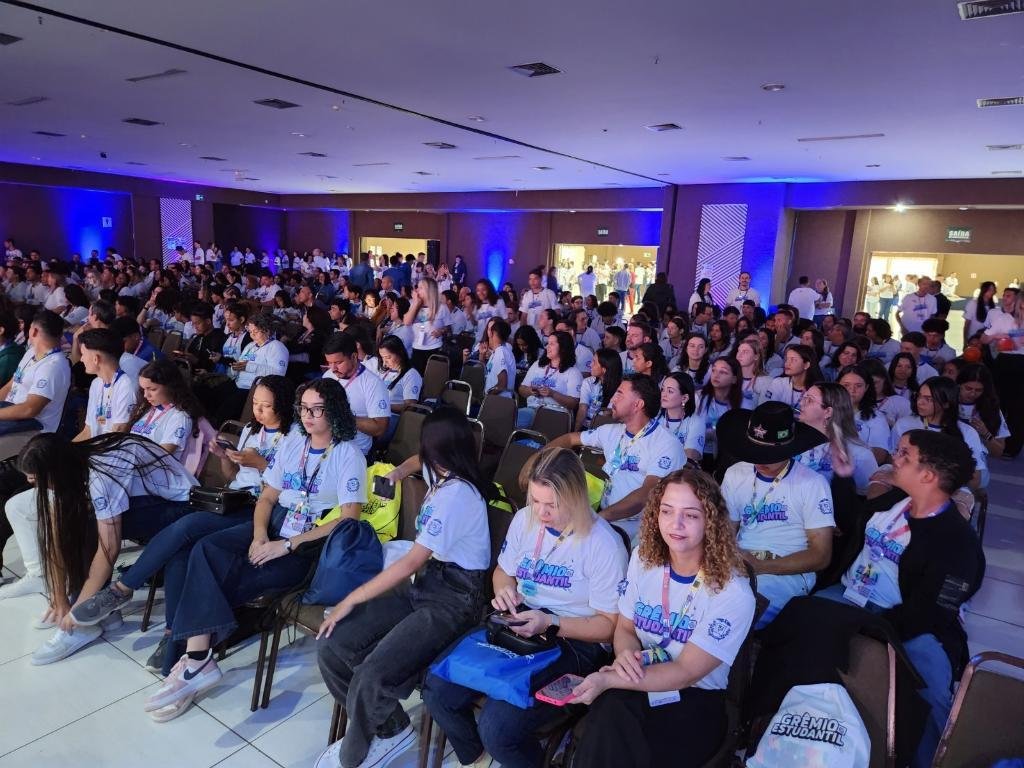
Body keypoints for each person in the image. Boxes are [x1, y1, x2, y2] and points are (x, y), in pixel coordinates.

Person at [135, 379, 366, 718]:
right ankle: (198, 662)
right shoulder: (293, 443)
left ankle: (192, 662)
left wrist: (284, 546)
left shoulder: (349, 453)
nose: (309, 416)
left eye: (318, 409)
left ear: (335, 411)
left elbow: (348, 519)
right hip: (274, 524)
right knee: (207, 548)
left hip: (310, 542)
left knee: (232, 573)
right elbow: (268, 497)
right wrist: (259, 536)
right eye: (304, 409)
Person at [71, 377, 297, 672]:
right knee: (182, 550)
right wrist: (224, 458)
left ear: (282, 404)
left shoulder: (294, 437)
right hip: (233, 500)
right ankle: (172, 635)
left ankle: (122, 589)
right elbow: (232, 477)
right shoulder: (252, 431)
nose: (258, 411)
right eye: (255, 404)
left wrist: (261, 464)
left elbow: (292, 487)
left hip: (262, 510)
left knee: (186, 528)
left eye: (266, 406)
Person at [422, 447, 627, 767]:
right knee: (436, 688)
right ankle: (478, 757)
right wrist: (504, 592)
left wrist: (551, 622)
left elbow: (609, 626)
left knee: (498, 727)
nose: (541, 513)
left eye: (552, 505)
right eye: (535, 501)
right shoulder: (525, 520)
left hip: (574, 640)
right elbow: (504, 571)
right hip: (520, 622)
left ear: (575, 497)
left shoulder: (603, 544)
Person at [314, 409, 491, 768]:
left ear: (438, 450)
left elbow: (410, 562)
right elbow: (415, 462)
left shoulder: (457, 495)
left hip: (455, 600)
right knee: (333, 646)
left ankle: (355, 754)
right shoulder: (440, 470)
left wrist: (351, 599)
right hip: (426, 585)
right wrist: (397, 472)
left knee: (372, 672)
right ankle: (392, 727)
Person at [814, 430, 985, 768]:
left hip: (909, 621)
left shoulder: (957, 542)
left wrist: (869, 628)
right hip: (850, 597)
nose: (895, 457)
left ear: (928, 475)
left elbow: (931, 612)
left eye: (905, 454)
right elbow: (849, 526)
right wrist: (845, 477)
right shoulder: (894, 503)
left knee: (928, 691)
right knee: (798, 628)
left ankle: (928, 760)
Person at [570, 469, 756, 768]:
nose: (676, 524)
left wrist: (610, 678)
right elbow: (626, 627)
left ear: (711, 521)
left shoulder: (733, 593)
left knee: (615, 715)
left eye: (691, 515)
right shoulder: (644, 558)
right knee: (613, 712)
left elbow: (685, 672)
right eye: (667, 511)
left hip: (694, 699)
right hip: (640, 678)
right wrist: (627, 654)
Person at [21, 432, 198, 664]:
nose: (30, 484)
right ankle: (105, 615)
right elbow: (55, 537)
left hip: (184, 507)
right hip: (148, 503)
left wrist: (78, 611)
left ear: (55, 471)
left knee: (86, 525)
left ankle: (85, 624)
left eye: (35, 479)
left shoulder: (102, 474)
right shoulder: (75, 463)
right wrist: (58, 597)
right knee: (72, 522)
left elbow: (108, 549)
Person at [717, 401, 834, 627]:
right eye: (755, 451)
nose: (760, 460)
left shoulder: (812, 483)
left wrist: (759, 567)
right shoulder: (735, 473)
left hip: (786, 570)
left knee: (738, 605)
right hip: (739, 561)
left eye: (769, 454)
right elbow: (725, 531)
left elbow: (821, 555)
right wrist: (729, 558)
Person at [551, 374, 685, 540]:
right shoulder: (612, 431)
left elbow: (646, 494)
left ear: (638, 404)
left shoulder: (666, 443)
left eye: (620, 393)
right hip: (605, 518)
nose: (613, 398)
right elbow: (570, 438)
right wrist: (537, 460)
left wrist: (598, 519)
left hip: (638, 527)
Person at [891, 376, 986, 490]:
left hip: (947, 491)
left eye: (929, 399)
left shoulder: (967, 433)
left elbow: (975, 479)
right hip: (907, 485)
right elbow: (891, 459)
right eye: (919, 396)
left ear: (946, 404)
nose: (920, 402)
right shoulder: (903, 424)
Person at [795, 382, 879, 495]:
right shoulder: (795, 441)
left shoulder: (860, 455)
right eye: (803, 397)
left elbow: (867, 500)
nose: (801, 403)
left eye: (809, 400)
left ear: (828, 412)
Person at [0, 310, 70, 436]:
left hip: (32, 429)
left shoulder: (53, 366)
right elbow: (11, 384)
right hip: (12, 416)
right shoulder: (31, 352)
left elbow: (30, 409)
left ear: (34, 331)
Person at [321, 332, 390, 456]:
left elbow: (380, 428)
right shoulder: (328, 376)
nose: (333, 368)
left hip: (355, 451)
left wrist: (344, 416)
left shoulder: (373, 383)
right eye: (329, 362)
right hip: (325, 444)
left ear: (353, 356)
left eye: (338, 362)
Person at [127, 359, 203, 462]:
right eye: (143, 389)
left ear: (170, 386)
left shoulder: (180, 417)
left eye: (152, 389)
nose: (146, 395)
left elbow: (161, 455)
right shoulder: (147, 408)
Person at [980, 286, 1024, 456]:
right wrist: (997, 337)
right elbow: (984, 338)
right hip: (1005, 362)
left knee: (1018, 408)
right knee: (998, 403)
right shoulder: (1004, 319)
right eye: (1020, 305)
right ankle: (994, 442)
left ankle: (1012, 447)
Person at [74, 328, 137, 441]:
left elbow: (118, 433)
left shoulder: (126, 385)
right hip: (96, 450)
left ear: (96, 359)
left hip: (110, 453)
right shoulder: (96, 384)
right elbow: (88, 431)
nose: (81, 359)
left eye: (83, 354)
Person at [516, 331, 582, 427]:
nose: (547, 347)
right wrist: (531, 391)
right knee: (508, 418)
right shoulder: (538, 364)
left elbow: (574, 404)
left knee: (512, 422)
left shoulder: (573, 372)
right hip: (532, 409)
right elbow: (521, 389)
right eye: (547, 343)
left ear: (563, 348)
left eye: (551, 344)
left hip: (555, 414)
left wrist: (552, 394)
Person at [956, 363, 1008, 463]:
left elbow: (998, 452)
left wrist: (985, 434)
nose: (972, 394)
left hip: (975, 464)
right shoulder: (946, 402)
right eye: (968, 388)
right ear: (959, 384)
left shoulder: (992, 409)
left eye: (978, 390)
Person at [696, 357, 742, 468]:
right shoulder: (698, 397)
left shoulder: (744, 403)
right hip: (699, 453)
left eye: (723, 372)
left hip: (727, 458)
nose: (716, 375)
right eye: (714, 370)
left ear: (734, 379)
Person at [404, 277, 452, 374]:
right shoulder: (414, 305)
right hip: (417, 348)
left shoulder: (442, 308)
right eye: (417, 287)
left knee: (432, 379)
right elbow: (406, 322)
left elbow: (449, 328)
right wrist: (416, 303)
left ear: (429, 290)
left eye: (421, 288)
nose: (417, 290)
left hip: (435, 348)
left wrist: (441, 331)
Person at [659, 371, 705, 464]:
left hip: (681, 474)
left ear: (684, 398)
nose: (664, 394)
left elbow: (691, 456)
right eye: (663, 389)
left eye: (670, 391)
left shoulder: (695, 421)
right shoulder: (654, 418)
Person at [765, 344, 823, 416]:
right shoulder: (778, 383)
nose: (787, 363)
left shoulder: (817, 391)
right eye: (786, 359)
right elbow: (769, 409)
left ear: (806, 365)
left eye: (793, 360)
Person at [577, 347, 623, 429]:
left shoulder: (621, 388)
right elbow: (582, 409)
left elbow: (607, 415)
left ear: (604, 369)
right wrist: (575, 432)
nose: (590, 365)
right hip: (586, 427)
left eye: (594, 362)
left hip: (605, 429)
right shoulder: (588, 382)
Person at [962, 281, 996, 349]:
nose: (992, 292)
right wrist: (965, 341)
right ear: (984, 290)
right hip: (973, 341)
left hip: (987, 342)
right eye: (989, 290)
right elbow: (966, 325)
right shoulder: (973, 304)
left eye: (993, 290)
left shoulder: (993, 307)